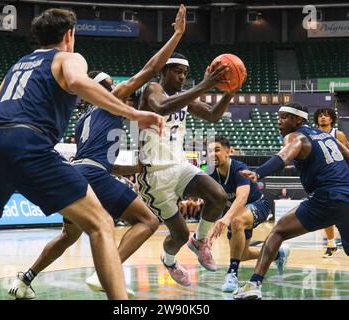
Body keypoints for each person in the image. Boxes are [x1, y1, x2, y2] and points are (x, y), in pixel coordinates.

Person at [0, 8, 164, 300]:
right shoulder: (68, 57)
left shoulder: (19, 64)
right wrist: (131, 112)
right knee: (101, 224)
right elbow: (76, 82)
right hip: (28, 142)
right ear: (69, 34)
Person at [137, 52, 239, 286]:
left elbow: (213, 116)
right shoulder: (152, 89)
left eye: (185, 73)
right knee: (179, 235)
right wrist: (204, 85)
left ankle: (201, 241)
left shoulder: (185, 98)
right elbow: (162, 107)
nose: (182, 77)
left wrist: (228, 94)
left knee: (219, 196)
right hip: (154, 175)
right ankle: (169, 260)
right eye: (177, 71)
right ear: (165, 71)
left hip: (179, 166)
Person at [233, 102, 349, 300]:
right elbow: (347, 155)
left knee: (277, 232)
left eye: (284, 117)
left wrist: (258, 172)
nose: (279, 121)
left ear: (298, 120)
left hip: (328, 196)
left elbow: (285, 156)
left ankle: (253, 284)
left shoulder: (295, 136)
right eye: (278, 117)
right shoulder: (327, 136)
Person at [207, 136, 289, 293]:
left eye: (216, 150)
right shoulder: (210, 173)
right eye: (209, 151)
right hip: (238, 212)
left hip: (259, 205)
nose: (212, 154)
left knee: (236, 220)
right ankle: (278, 254)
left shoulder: (239, 168)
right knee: (242, 254)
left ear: (228, 151)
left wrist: (226, 218)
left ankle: (232, 274)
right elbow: (211, 202)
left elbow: (242, 197)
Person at [314, 107, 349, 257]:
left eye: (326, 116)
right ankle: (331, 244)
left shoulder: (338, 134)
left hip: (340, 178)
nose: (323, 118)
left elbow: (347, 155)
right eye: (320, 115)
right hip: (322, 178)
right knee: (326, 211)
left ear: (331, 119)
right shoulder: (313, 134)